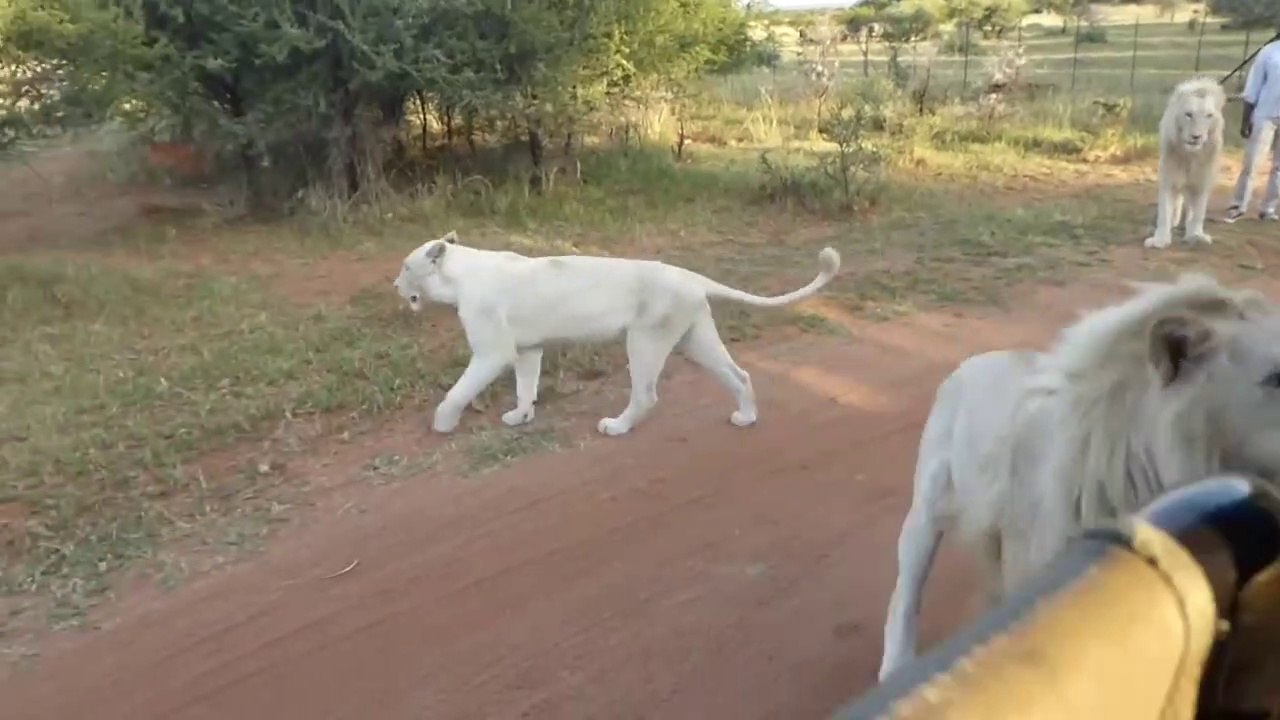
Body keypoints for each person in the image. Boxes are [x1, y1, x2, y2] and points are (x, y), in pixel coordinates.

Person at [1225, 38, 1280, 223]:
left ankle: (1269, 209)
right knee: (1252, 163)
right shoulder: (1269, 52)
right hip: (1265, 114)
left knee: (1279, 168)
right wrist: (1245, 119)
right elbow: (1253, 87)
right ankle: (1238, 206)